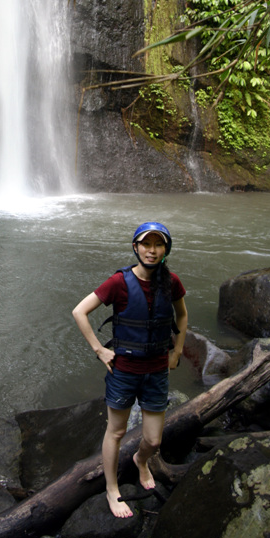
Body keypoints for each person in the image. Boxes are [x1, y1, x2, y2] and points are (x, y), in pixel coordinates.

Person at [72, 221, 188, 518]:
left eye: (158, 245)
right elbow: (80, 311)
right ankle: (112, 488)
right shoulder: (119, 283)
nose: (152, 250)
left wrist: (176, 350)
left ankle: (141, 460)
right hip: (123, 369)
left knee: (153, 439)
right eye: (146, 244)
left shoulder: (171, 281)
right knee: (117, 431)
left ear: (165, 249)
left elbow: (183, 314)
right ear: (135, 247)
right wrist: (99, 349)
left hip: (157, 370)